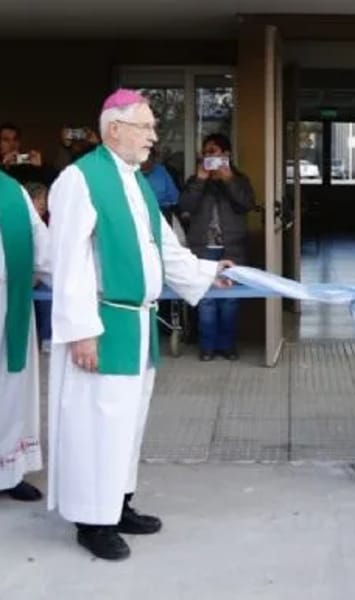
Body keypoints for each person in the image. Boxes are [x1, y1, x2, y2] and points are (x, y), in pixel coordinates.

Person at [47, 89, 233, 561]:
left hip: (138, 322)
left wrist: (210, 272)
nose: (154, 136)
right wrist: (81, 329)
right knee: (98, 424)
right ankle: (92, 520)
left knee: (126, 424)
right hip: (104, 325)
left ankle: (118, 502)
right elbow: (67, 259)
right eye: (146, 127)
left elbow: (163, 249)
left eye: (152, 127)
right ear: (114, 129)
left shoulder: (135, 180)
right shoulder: (81, 179)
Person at [178, 133, 255, 361]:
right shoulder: (196, 181)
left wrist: (228, 178)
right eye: (206, 152)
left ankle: (228, 346)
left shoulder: (239, 179)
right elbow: (185, 206)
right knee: (207, 298)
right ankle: (207, 347)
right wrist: (201, 179)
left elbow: (246, 204)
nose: (209, 156)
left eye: (214, 152)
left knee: (230, 299)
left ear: (227, 154)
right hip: (203, 247)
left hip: (232, 247)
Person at [0, 171, 49, 502]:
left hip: (10, 302)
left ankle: (8, 471)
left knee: (12, 389)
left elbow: (44, 247)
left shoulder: (11, 192)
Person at [24, 182, 52, 352]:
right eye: (38, 199)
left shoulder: (44, 225)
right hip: (16, 276)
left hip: (38, 275)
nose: (43, 203)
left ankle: (47, 338)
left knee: (50, 291)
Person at [142, 147, 180, 221]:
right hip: (139, 213)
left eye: (149, 157)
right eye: (143, 157)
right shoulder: (130, 173)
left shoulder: (161, 171)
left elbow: (174, 197)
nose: (146, 160)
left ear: (154, 159)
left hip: (162, 212)